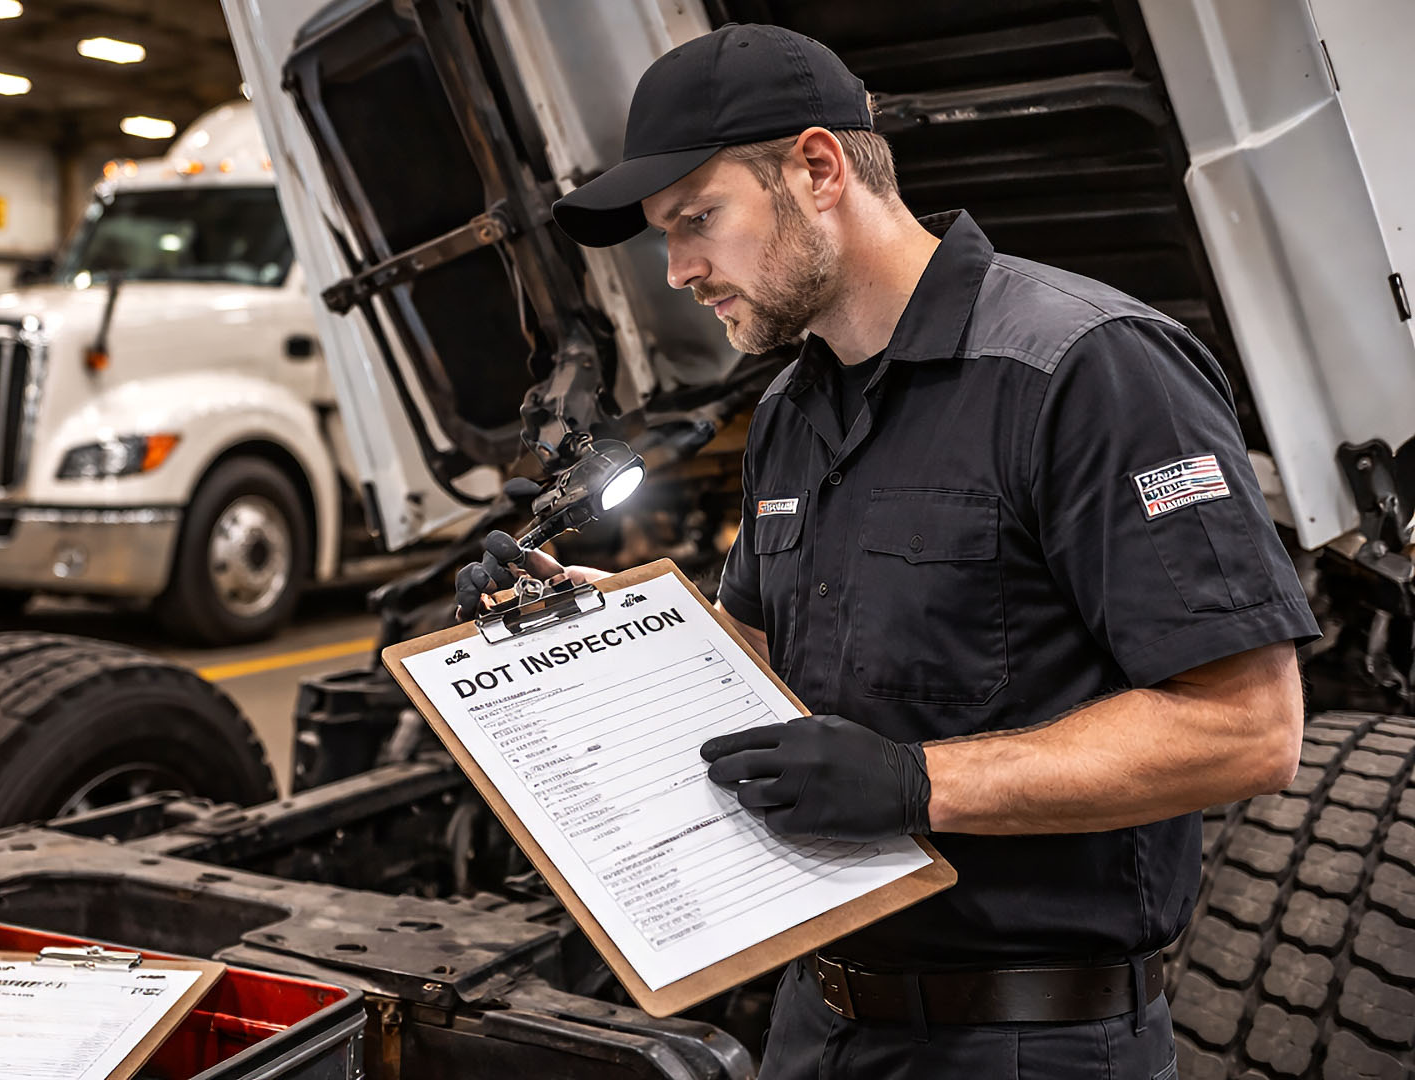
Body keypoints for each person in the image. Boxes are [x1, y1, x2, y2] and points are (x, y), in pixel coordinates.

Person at [455, 22, 1317, 1079]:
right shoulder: (788, 410)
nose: (677, 270)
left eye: (697, 221)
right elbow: (758, 667)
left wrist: (916, 784)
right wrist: (590, 623)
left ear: (818, 169)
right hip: (817, 1022)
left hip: (1030, 1043)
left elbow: (1248, 730)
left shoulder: (1083, 370)